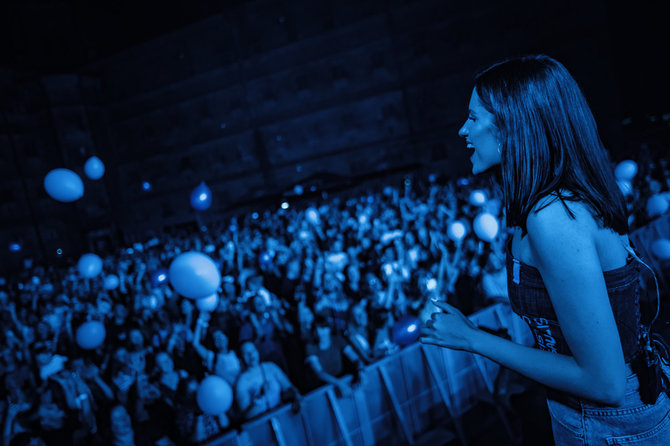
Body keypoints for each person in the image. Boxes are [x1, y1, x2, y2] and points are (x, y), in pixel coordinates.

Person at [421, 55, 670, 445]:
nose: (461, 129)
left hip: (613, 425)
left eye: (473, 118)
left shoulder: (553, 216)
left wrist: (474, 339)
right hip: (595, 418)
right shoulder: (546, 206)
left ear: (512, 125)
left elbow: (604, 382)